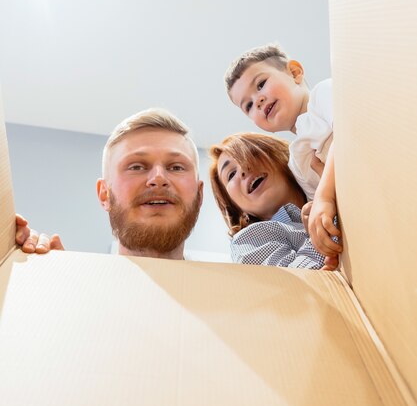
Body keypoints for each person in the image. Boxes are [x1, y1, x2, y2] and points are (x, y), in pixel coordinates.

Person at [15, 108, 203, 260]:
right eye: (137, 167)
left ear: (199, 194)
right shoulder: (66, 289)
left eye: (176, 167)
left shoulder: (230, 299)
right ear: (104, 193)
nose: (158, 178)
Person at [224, 44, 342, 263]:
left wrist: (324, 197)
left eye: (261, 84)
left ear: (295, 73)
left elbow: (347, 133)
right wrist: (311, 215)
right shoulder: (297, 160)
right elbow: (320, 205)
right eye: (248, 105)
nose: (257, 101)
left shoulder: (324, 94)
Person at [209, 132, 327, 269]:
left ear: (277, 156)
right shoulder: (248, 241)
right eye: (231, 174)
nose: (242, 169)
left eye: (249, 154)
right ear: (238, 209)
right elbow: (296, 283)